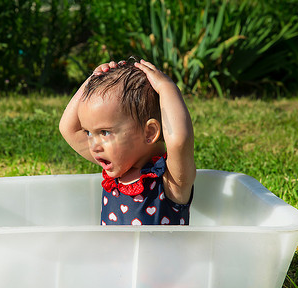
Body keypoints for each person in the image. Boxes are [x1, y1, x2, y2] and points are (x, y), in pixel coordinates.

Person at [59, 58, 196, 225]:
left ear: (149, 132)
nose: (94, 146)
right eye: (89, 132)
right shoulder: (117, 166)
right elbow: (68, 129)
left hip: (161, 253)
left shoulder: (171, 182)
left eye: (105, 132)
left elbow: (179, 141)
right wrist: (92, 80)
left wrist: (166, 88)